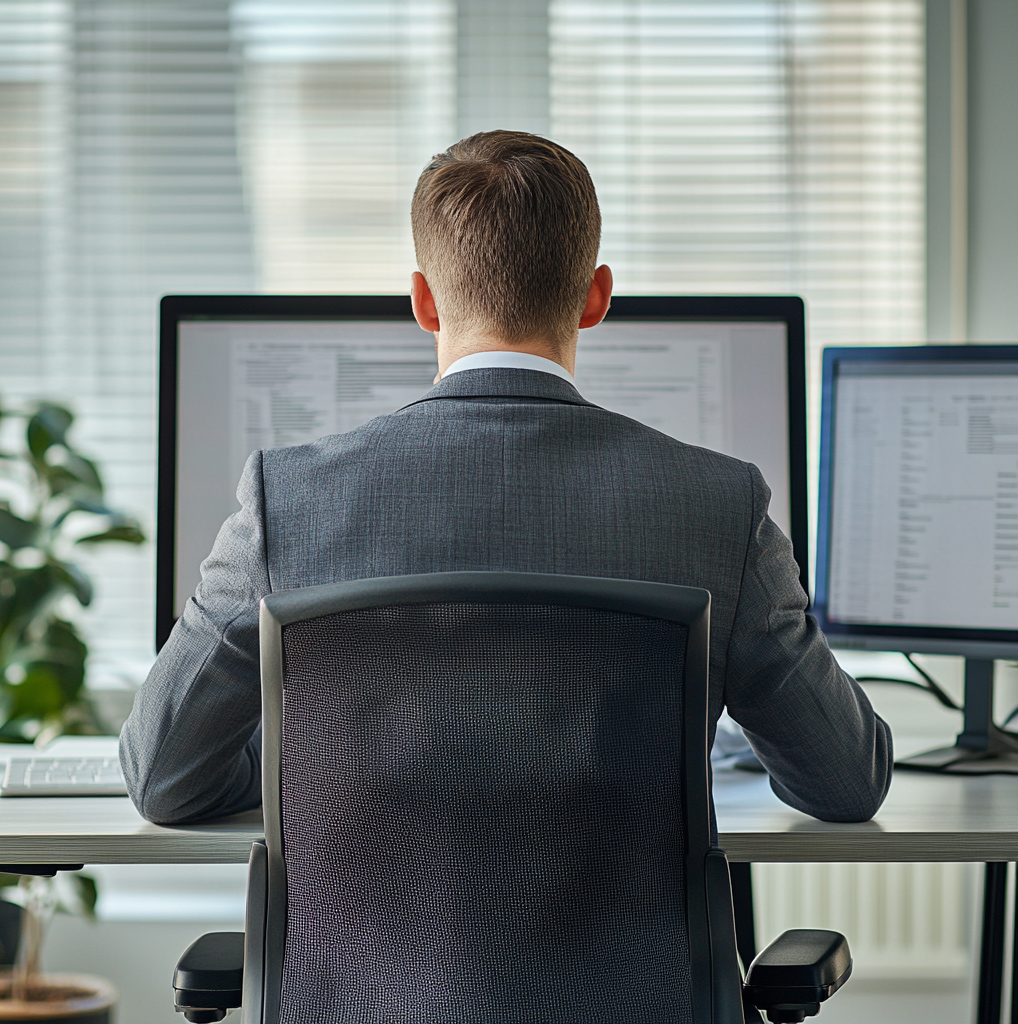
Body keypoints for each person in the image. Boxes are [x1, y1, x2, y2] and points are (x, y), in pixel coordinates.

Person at [120, 130, 892, 825]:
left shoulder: (284, 501)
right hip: (631, 987)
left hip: (354, 988)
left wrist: (311, 772)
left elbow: (162, 778)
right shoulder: (722, 508)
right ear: (596, 297)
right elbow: (844, 784)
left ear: (423, 301)